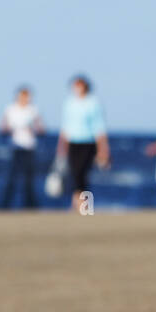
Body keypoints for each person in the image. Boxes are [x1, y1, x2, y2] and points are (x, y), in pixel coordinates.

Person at [55, 75, 110, 211]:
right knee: (75, 173)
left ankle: (83, 205)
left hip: (89, 142)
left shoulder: (93, 103)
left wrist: (103, 149)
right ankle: (77, 204)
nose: (77, 88)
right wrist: (61, 146)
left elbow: (100, 127)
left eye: (80, 85)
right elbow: (65, 127)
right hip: (73, 142)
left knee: (83, 173)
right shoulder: (70, 103)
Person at [0, 86, 44, 208]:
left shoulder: (33, 110)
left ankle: (30, 206)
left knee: (29, 179)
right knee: (12, 177)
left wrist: (33, 129)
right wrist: (10, 129)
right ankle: (5, 205)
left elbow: (42, 129)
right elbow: (2, 128)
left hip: (29, 147)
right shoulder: (10, 109)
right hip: (16, 147)